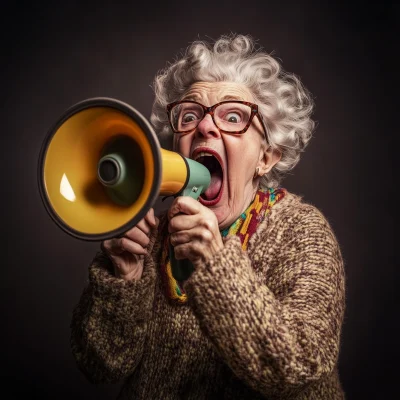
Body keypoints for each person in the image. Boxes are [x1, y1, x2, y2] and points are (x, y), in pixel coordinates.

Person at [70, 33, 346, 399]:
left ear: (266, 157)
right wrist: (123, 277)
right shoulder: (148, 236)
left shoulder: (302, 232)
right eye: (190, 115)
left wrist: (216, 264)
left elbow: (296, 368)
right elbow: (100, 365)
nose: (204, 127)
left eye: (233, 117)